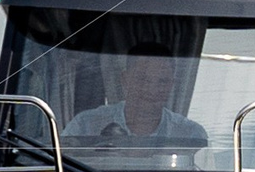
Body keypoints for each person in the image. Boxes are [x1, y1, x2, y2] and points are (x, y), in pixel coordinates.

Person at [68, 53, 208, 145]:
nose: (152, 89)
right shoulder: (85, 125)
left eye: (162, 81)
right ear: (125, 80)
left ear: (172, 85)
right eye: (142, 80)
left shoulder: (192, 135)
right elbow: (59, 168)